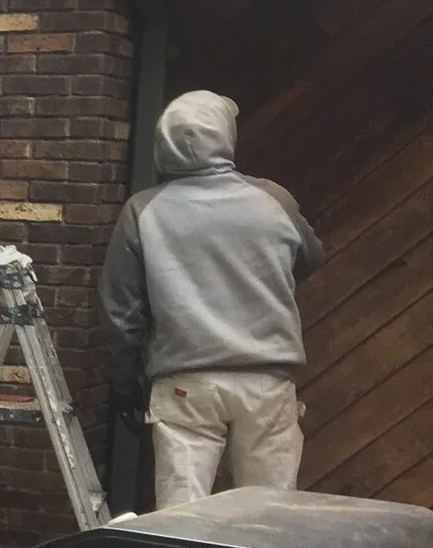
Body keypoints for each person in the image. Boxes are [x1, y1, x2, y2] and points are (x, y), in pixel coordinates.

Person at [102, 90, 323, 511]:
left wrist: (125, 384)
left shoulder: (142, 210)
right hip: (267, 383)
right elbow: (311, 257)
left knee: (183, 518)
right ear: (227, 135)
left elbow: (121, 311)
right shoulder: (274, 199)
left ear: (161, 142)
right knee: (270, 517)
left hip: (185, 385)